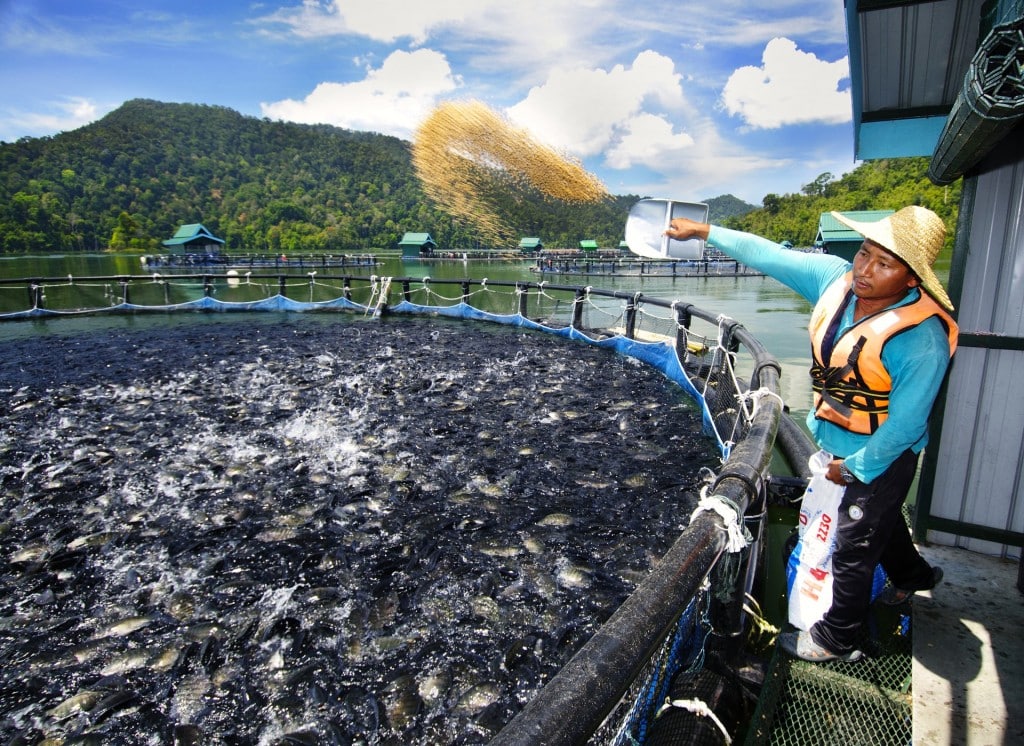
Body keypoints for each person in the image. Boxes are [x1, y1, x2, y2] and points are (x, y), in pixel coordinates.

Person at [666, 206, 958, 663]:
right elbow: (769, 255)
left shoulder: (922, 341)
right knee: (881, 520)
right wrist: (704, 230)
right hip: (837, 439)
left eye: (885, 264)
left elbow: (906, 426)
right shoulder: (834, 279)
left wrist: (855, 467)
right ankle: (912, 576)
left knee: (852, 545)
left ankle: (838, 638)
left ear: (911, 279)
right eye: (864, 254)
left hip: (884, 453)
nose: (865, 270)